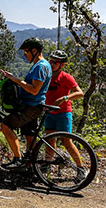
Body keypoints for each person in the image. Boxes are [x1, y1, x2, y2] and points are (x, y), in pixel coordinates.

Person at [0, 37, 52, 169]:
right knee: (30, 136)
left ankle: (17, 158)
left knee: (5, 126)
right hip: (32, 105)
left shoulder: (40, 67)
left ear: (34, 51)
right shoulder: (40, 65)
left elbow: (34, 90)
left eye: (26, 52)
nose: (24, 55)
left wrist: (15, 80)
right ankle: (30, 164)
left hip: (32, 106)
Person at [44, 49, 86, 181]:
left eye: (55, 62)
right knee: (49, 140)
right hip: (49, 112)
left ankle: (81, 168)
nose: (52, 63)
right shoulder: (47, 75)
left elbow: (80, 93)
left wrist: (64, 98)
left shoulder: (66, 77)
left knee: (67, 141)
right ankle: (47, 166)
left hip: (63, 113)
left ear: (62, 64)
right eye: (51, 61)